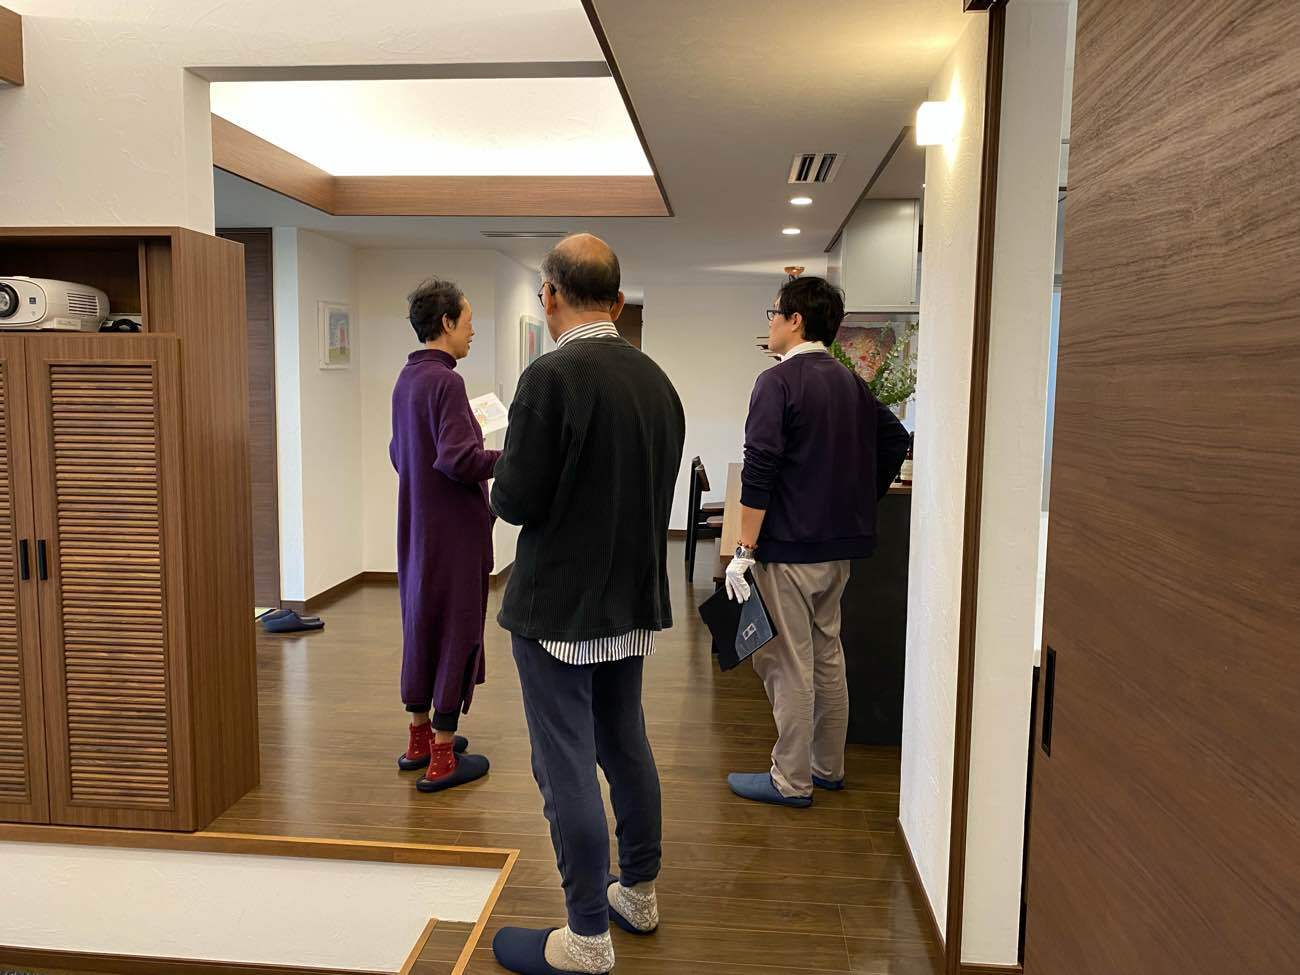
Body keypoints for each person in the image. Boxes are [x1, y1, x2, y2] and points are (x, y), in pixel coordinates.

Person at [488, 234, 685, 975]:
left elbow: (515, 500)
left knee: (563, 764)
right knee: (625, 744)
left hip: (558, 610)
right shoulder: (656, 381)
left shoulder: (551, 376)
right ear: (619, 299)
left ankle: (586, 937)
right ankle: (638, 891)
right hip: (630, 600)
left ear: (550, 296)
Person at [724, 276, 910, 808]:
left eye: (773, 314)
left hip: (788, 548)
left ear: (795, 320)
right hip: (837, 549)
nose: (770, 324)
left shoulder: (777, 382)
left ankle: (790, 779)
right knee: (827, 654)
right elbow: (895, 438)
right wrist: (859, 499)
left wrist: (743, 549)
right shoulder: (850, 382)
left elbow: (760, 468)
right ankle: (827, 766)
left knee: (788, 663)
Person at [389, 278, 496, 793]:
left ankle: (419, 738)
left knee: (421, 623)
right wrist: (509, 459)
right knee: (458, 627)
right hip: (455, 532)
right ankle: (443, 756)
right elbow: (458, 459)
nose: (472, 331)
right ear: (447, 322)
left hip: (417, 525)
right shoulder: (447, 383)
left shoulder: (407, 379)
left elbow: (399, 453)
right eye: (468, 322)